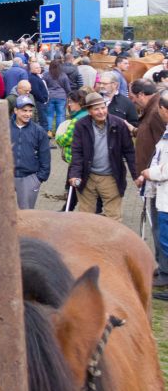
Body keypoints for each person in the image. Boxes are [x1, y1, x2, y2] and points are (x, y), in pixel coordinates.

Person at [68, 92, 139, 222]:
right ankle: (87, 242)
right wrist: (75, 174)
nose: (101, 112)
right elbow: (77, 152)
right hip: (87, 177)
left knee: (113, 218)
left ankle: (111, 242)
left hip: (111, 177)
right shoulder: (81, 125)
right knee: (85, 218)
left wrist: (136, 175)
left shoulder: (119, 124)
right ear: (89, 111)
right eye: (96, 109)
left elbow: (129, 151)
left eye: (103, 107)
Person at [129, 78, 168, 285]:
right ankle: (162, 266)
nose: (134, 102)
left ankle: (165, 272)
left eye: (134, 98)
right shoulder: (153, 111)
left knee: (160, 228)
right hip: (153, 178)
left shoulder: (157, 113)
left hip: (159, 182)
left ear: (143, 95)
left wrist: (148, 173)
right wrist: (135, 131)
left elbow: (163, 147)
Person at [139, 91, 168, 287]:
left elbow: (165, 169)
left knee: (166, 239)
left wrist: (148, 173)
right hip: (160, 194)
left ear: (163, 109)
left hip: (165, 195)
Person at [10, 95, 51, 209]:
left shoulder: (39, 131)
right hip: (6, 177)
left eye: (30, 111)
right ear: (15, 110)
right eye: (24, 111)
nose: (28, 114)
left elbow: (45, 156)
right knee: (5, 213)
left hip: (29, 178)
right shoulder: (5, 127)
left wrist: (39, 178)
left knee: (26, 214)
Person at [42, 60, 71, 135]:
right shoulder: (63, 75)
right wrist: (69, 96)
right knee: (60, 114)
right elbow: (67, 88)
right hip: (61, 97)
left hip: (50, 96)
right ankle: (59, 132)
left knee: (49, 115)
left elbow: (43, 86)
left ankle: (49, 131)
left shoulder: (46, 75)